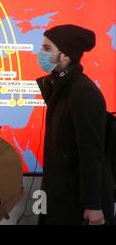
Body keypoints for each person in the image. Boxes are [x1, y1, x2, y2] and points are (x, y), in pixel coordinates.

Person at [36, 24, 115, 225]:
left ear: (66, 56)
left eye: (47, 49)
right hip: (59, 196)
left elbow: (91, 153)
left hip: (76, 205)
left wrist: (93, 205)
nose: (40, 53)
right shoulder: (60, 88)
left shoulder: (82, 92)